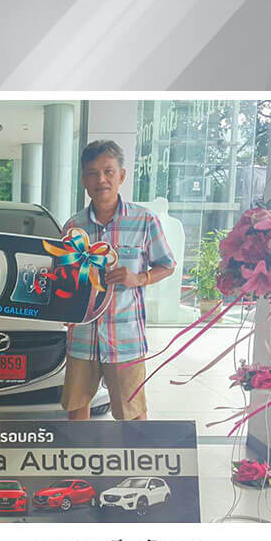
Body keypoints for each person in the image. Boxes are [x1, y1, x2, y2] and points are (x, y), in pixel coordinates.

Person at [60, 140, 176, 420]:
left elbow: (167, 265)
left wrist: (139, 278)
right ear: (84, 180)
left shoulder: (144, 220)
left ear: (121, 176)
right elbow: (63, 278)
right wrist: (64, 307)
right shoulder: (73, 227)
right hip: (83, 337)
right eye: (92, 173)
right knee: (76, 411)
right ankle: (78, 453)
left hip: (125, 338)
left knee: (132, 415)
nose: (101, 179)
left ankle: (134, 453)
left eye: (108, 171)